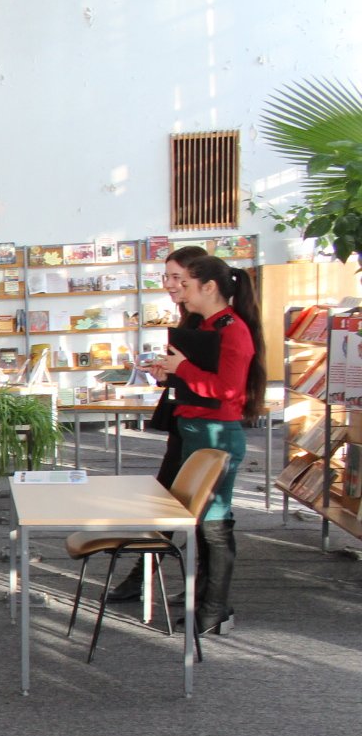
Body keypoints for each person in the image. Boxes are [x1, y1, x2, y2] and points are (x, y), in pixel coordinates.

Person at [146, 252, 265, 635]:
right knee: (202, 523)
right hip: (199, 431)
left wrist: (183, 369)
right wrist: (171, 374)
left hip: (216, 435)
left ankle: (216, 610)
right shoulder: (209, 325)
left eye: (185, 283)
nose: (177, 290)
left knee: (215, 524)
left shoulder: (231, 329)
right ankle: (206, 602)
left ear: (209, 287)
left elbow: (227, 389)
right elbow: (203, 382)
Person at [109, 244, 211, 603]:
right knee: (169, 501)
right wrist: (168, 373)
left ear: (198, 280)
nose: (168, 284)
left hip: (204, 427)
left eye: (175, 277)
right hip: (186, 422)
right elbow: (193, 376)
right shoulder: (191, 318)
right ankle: (144, 576)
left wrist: (179, 370)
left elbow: (218, 384)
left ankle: (199, 589)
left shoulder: (212, 321)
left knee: (196, 509)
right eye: (166, 276)